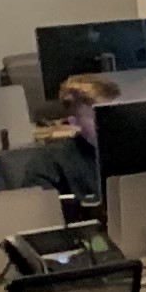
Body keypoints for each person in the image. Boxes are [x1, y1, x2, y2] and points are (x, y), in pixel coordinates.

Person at [36, 70, 115, 208]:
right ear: (74, 122)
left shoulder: (134, 152)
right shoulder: (49, 163)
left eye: (112, 114)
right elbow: (41, 217)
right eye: (96, 117)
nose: (107, 123)